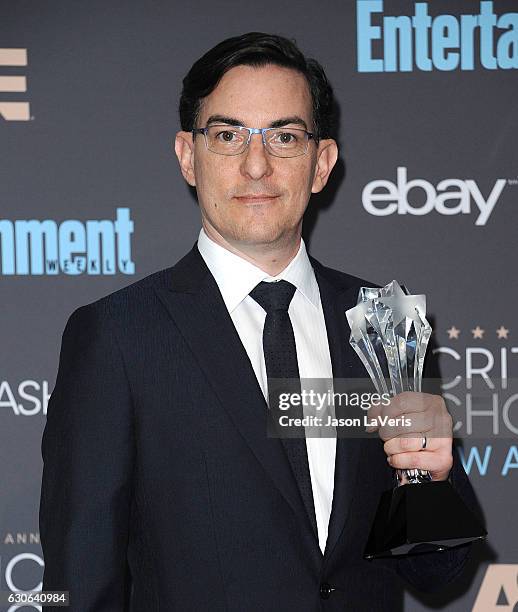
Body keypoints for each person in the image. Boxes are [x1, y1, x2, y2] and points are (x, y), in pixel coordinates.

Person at [40, 32, 478, 611]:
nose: (256, 164)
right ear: (187, 156)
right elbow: (78, 581)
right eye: (227, 136)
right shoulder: (119, 336)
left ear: (321, 164)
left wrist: (432, 478)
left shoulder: (383, 318)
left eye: (285, 137)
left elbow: (437, 572)